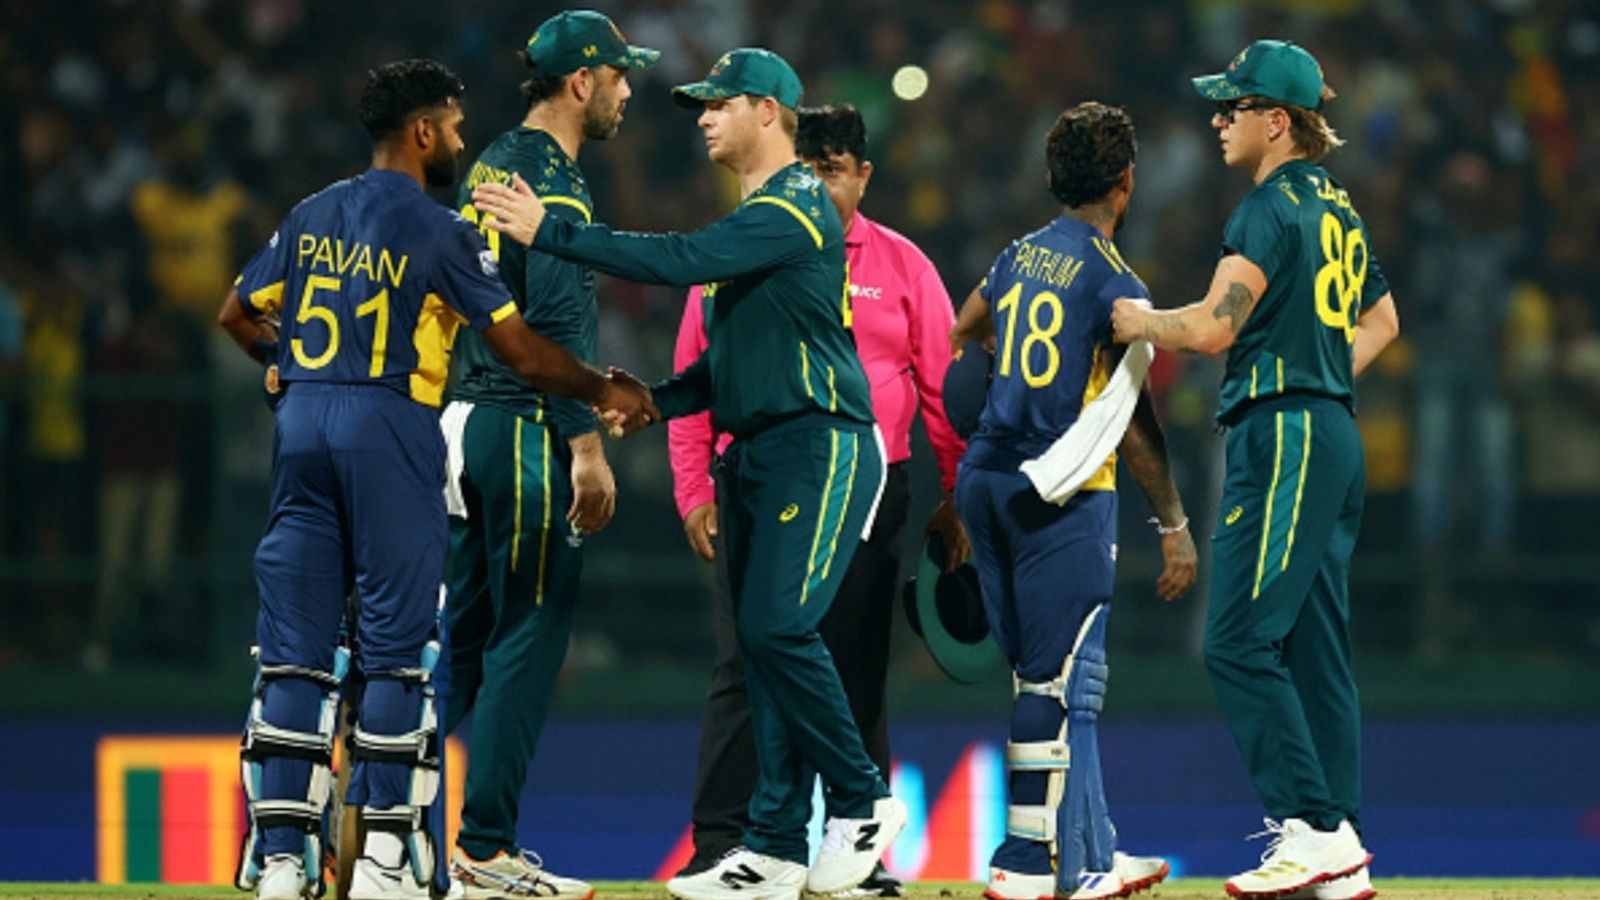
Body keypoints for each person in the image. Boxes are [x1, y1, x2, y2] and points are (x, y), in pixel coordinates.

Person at [471, 47, 905, 900]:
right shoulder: (761, 214)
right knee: (764, 645)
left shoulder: (797, 204)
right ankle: (775, 844)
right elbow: (738, 359)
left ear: (769, 113)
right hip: (766, 448)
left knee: (778, 630)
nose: (702, 117)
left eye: (720, 103)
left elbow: (675, 259)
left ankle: (861, 802)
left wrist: (550, 230)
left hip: (820, 447)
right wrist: (658, 402)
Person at [216, 58, 654, 900]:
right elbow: (520, 349)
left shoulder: (310, 214)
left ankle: (279, 860)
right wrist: (603, 390)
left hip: (302, 429)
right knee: (395, 656)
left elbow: (237, 312)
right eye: (453, 125)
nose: (460, 139)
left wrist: (285, 367)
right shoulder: (438, 228)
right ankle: (384, 860)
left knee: (294, 660)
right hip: (391, 429)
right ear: (422, 131)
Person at [1109, 39, 1400, 900]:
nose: (1218, 118)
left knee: (1235, 637)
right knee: (1314, 646)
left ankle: (1309, 828)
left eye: (1233, 107)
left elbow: (1211, 329)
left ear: (1278, 121)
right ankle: (1338, 838)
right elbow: (1383, 320)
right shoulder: (1339, 210)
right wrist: (1319, 375)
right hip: (1331, 430)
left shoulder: (1267, 209)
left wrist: (1134, 318)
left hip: (1285, 435)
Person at [665, 103, 968, 891]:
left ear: (864, 176)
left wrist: (955, 493)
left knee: (852, 667)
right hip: (755, 478)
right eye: (810, 168)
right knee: (746, 664)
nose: (820, 184)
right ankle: (729, 844)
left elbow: (939, 390)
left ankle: (852, 853)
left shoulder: (904, 266)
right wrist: (693, 484)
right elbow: (699, 367)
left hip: (872, 491)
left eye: (834, 171)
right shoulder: (749, 247)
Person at [948, 101, 1195, 900]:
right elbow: (1135, 422)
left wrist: (1007, 375)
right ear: (1125, 184)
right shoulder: (1116, 283)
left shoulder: (1016, 256)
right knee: (1059, 684)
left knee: (1052, 683)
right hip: (1058, 491)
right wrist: (1175, 525)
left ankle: (1090, 852)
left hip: (984, 480)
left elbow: (965, 326)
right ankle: (1026, 863)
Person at [440, 12, 659, 900]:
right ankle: (484, 849)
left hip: (461, 423)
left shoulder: (489, 159)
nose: (628, 90)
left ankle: (373, 809)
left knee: (462, 643)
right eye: (618, 76)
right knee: (529, 641)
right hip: (529, 429)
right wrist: (588, 450)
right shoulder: (555, 186)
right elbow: (560, 319)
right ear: (581, 82)